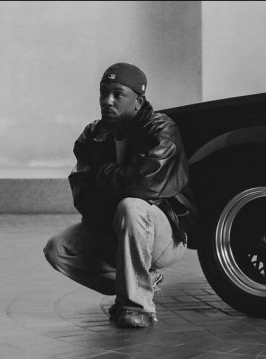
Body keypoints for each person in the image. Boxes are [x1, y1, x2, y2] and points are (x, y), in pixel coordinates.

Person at [43, 62, 196, 328]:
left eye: (117, 94)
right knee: (58, 249)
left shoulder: (161, 130)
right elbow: (83, 195)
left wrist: (104, 174)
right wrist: (115, 185)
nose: (107, 101)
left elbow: (141, 186)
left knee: (131, 206)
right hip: (116, 228)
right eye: (103, 93)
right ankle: (141, 280)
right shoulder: (93, 136)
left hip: (165, 236)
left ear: (138, 101)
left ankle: (137, 307)